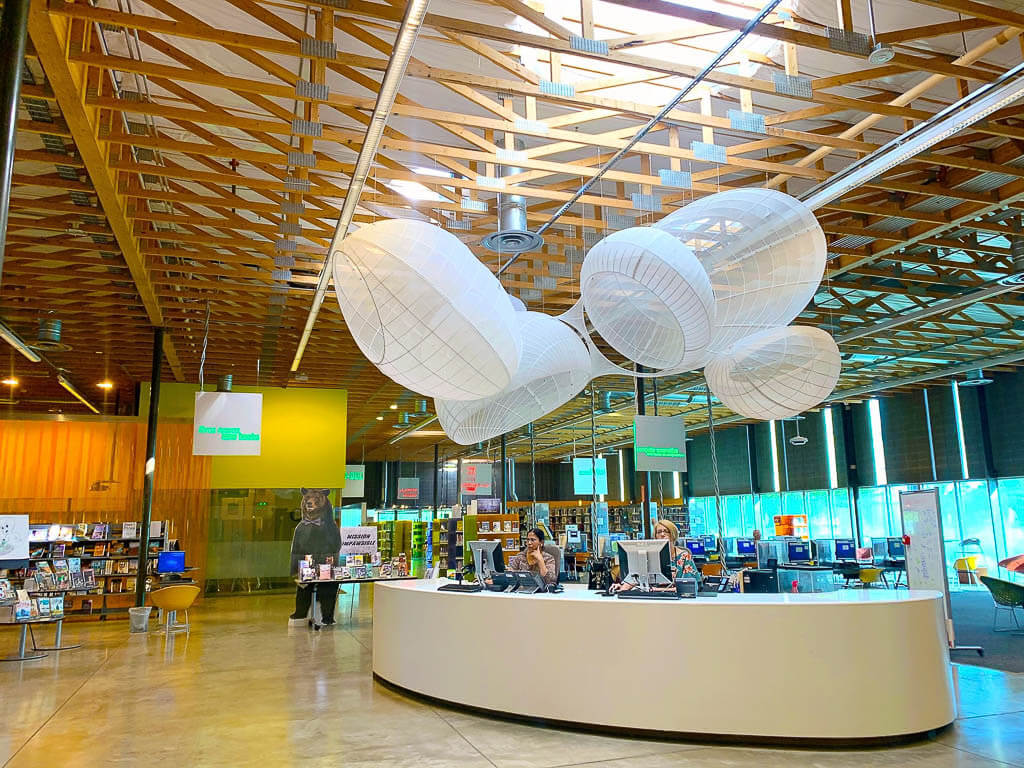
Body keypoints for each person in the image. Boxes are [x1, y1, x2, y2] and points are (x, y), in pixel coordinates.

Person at [289, 488, 342, 627]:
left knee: (328, 590)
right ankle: (300, 612)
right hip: (307, 564)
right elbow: (296, 549)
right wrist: (295, 569)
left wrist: (333, 565)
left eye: (315, 500)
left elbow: (337, 546)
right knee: (303, 588)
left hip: (326, 563)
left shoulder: (331, 526)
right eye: (307, 500)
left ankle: (328, 616)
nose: (310, 503)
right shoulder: (301, 527)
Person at [613, 519, 702, 592]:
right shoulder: (648, 556)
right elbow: (638, 576)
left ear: (673, 534)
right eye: (659, 532)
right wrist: (621, 587)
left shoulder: (685, 557)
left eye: (666, 531)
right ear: (655, 536)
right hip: (652, 599)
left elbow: (688, 588)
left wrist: (655, 589)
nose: (662, 534)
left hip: (676, 602)